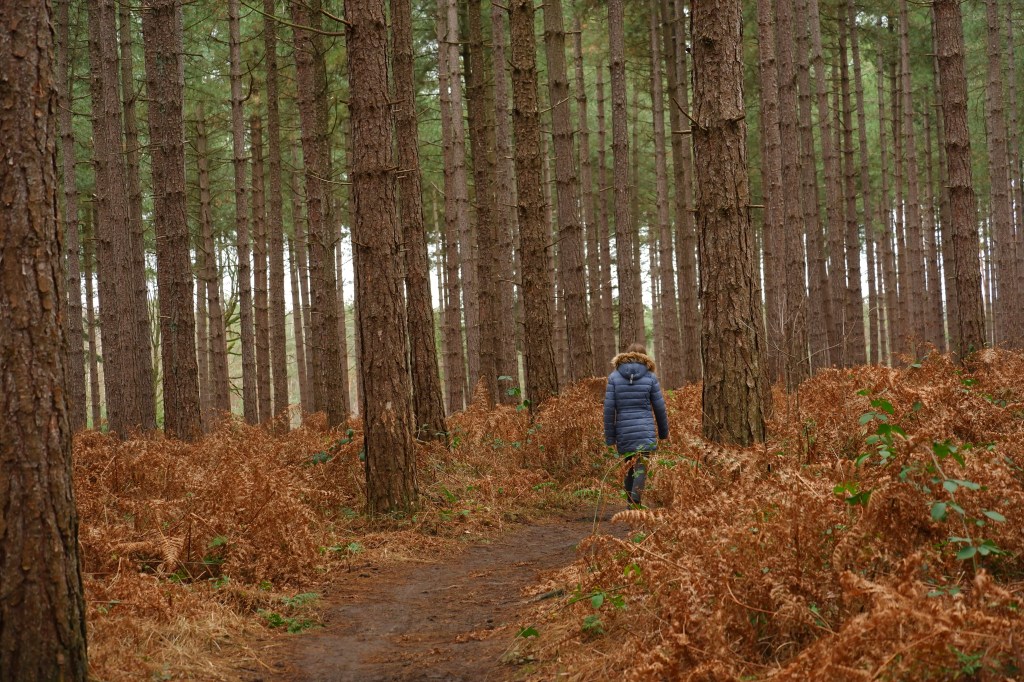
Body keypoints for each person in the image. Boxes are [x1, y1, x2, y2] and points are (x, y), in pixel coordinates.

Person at [603, 343, 669, 508]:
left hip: (623, 430)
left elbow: (609, 410)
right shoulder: (650, 377)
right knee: (641, 467)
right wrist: (663, 433)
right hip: (645, 429)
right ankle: (635, 503)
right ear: (645, 356)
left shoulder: (614, 377)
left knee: (629, 466)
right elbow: (659, 408)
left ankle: (629, 503)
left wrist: (610, 437)